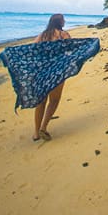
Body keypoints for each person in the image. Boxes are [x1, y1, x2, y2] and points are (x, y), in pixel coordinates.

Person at [32, 13, 70, 141]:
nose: (64, 22)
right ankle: (43, 127)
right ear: (60, 22)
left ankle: (36, 133)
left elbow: (33, 50)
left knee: (41, 102)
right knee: (54, 101)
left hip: (42, 72)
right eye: (63, 20)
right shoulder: (63, 35)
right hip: (57, 72)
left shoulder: (42, 35)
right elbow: (70, 50)